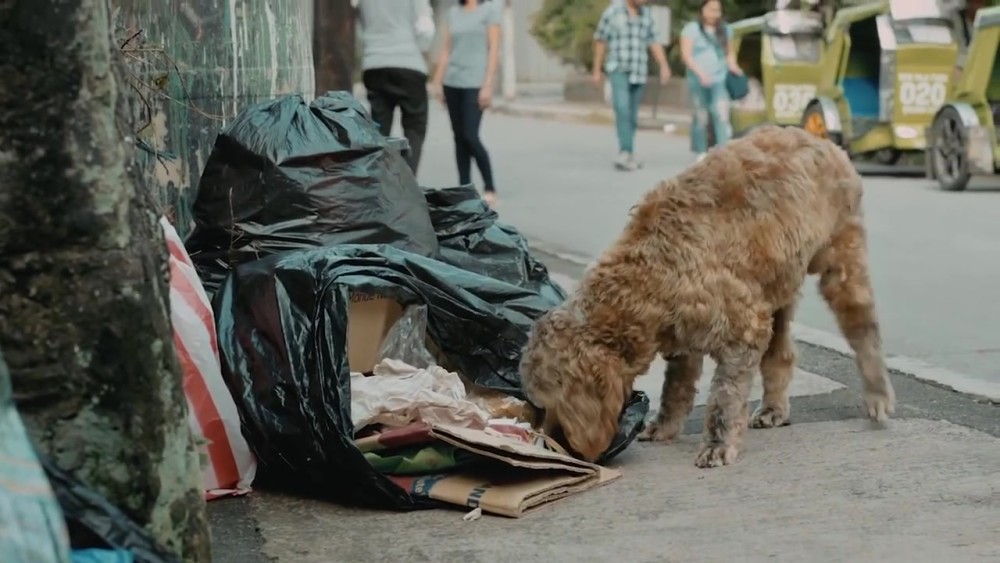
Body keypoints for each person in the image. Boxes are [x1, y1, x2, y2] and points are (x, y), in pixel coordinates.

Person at [431, 0, 502, 208]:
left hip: (475, 82)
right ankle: (464, 188)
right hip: (452, 81)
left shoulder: (489, 11)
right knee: (459, 138)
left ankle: (489, 186)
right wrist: (438, 80)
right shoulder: (453, 13)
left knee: (471, 136)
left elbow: (494, 48)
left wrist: (488, 84)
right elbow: (446, 50)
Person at [355, 0, 436, 174]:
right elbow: (425, 28)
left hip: (374, 63)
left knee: (379, 130)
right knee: (415, 127)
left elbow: (360, 29)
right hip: (409, 63)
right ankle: (407, 183)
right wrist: (418, 49)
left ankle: (381, 183)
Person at [592, 0, 671, 172]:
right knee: (622, 109)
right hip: (618, 69)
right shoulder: (613, 11)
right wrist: (597, 70)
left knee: (633, 115)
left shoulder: (646, 14)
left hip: (638, 70)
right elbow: (601, 39)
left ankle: (629, 151)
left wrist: (664, 65)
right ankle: (625, 151)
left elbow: (654, 41)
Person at [680, 0, 742, 163]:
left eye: (717, 10)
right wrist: (700, 73)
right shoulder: (691, 30)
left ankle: (723, 151)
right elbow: (686, 55)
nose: (714, 14)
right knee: (700, 115)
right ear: (702, 10)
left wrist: (734, 66)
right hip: (697, 79)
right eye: (711, 10)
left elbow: (729, 53)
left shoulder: (725, 30)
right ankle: (701, 150)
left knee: (721, 114)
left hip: (719, 78)